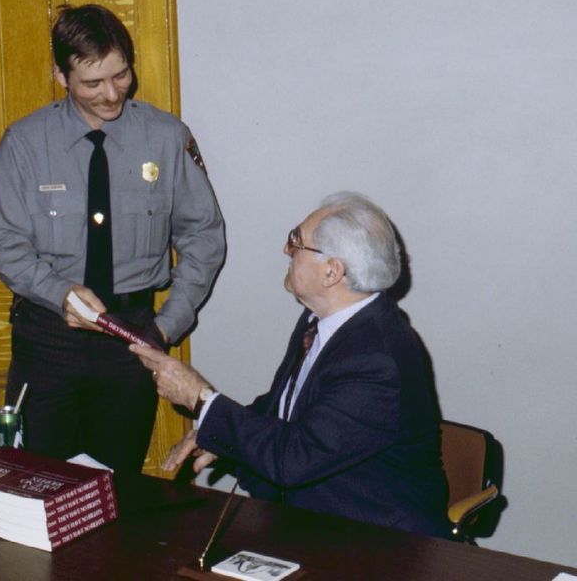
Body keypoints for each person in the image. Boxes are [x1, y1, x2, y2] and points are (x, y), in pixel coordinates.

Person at [0, 4, 225, 473]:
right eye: (93, 83)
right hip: (48, 337)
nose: (112, 94)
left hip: (133, 339)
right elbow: (1, 238)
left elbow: (204, 236)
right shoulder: (26, 142)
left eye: (121, 76)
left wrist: (166, 326)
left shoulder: (166, 137)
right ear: (60, 75)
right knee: (38, 481)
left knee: (118, 486)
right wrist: (58, 291)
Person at [130, 192, 450, 537]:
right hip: (313, 516)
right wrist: (215, 433)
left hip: (376, 538)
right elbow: (283, 407)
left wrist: (200, 398)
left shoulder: (375, 361)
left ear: (332, 272)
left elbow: (294, 459)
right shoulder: (322, 320)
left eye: (296, 240)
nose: (286, 249)